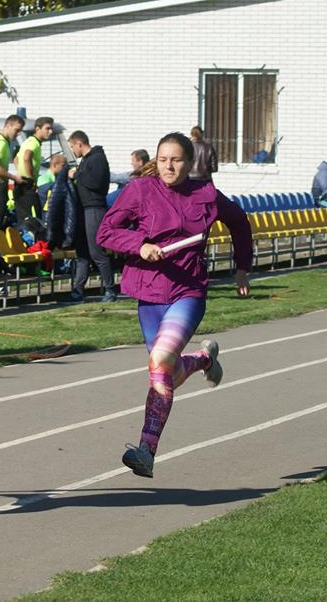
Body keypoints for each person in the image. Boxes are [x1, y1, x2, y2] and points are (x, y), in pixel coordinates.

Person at [97, 132, 252, 478]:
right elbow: (106, 232)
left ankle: (146, 451)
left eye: (177, 159)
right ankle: (203, 359)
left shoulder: (205, 193)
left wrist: (243, 267)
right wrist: (140, 245)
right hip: (149, 292)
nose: (169, 165)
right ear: (157, 159)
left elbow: (240, 223)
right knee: (163, 371)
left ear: (189, 162)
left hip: (188, 290)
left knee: (160, 360)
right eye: (164, 159)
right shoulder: (139, 190)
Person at [67, 130, 116, 302]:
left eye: (72, 146)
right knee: (82, 253)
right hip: (84, 210)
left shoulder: (97, 159)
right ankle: (77, 290)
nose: (73, 150)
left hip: (95, 209)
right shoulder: (87, 160)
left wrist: (77, 175)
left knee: (97, 253)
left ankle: (110, 290)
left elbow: (95, 182)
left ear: (79, 143)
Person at [13, 116, 53, 222]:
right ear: (37, 129)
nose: (50, 131)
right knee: (32, 217)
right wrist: (30, 179)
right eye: (47, 128)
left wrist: (21, 172)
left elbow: (16, 159)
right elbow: (26, 157)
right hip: (27, 185)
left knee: (23, 217)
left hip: (21, 183)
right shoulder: (34, 143)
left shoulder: (28, 141)